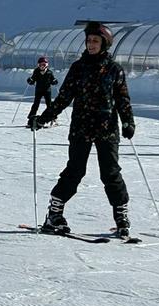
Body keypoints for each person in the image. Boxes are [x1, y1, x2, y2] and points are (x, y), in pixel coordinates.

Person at [33, 21, 135, 238]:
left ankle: (121, 216)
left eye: (95, 41)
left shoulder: (114, 70)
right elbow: (64, 97)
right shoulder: (78, 68)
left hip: (107, 129)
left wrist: (128, 122)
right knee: (75, 171)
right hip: (81, 128)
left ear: (105, 44)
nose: (91, 45)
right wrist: (44, 117)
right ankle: (54, 214)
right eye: (88, 41)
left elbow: (122, 98)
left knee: (110, 173)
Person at [25, 56, 59, 128]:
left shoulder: (49, 72)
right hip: (39, 90)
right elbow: (33, 80)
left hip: (47, 91)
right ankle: (31, 119)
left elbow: (53, 81)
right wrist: (30, 81)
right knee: (35, 105)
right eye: (40, 65)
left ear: (46, 65)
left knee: (49, 105)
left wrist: (54, 81)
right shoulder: (36, 71)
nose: (42, 66)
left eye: (43, 65)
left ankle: (53, 119)